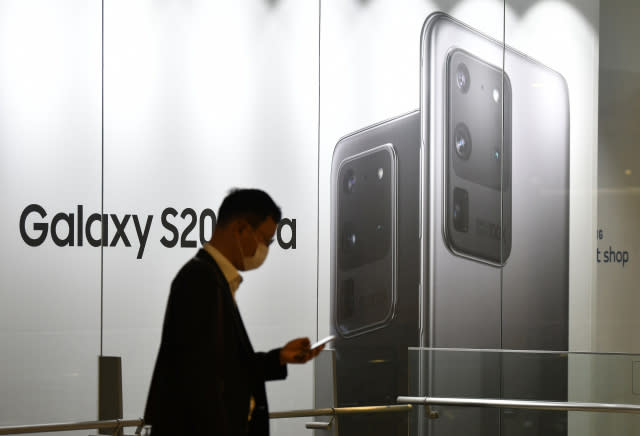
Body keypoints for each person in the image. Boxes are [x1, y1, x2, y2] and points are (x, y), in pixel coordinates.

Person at [144, 189, 322, 436]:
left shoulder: (214, 279)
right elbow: (200, 382)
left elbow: (228, 367)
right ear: (240, 229)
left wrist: (279, 357)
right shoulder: (200, 280)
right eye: (266, 240)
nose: (266, 249)